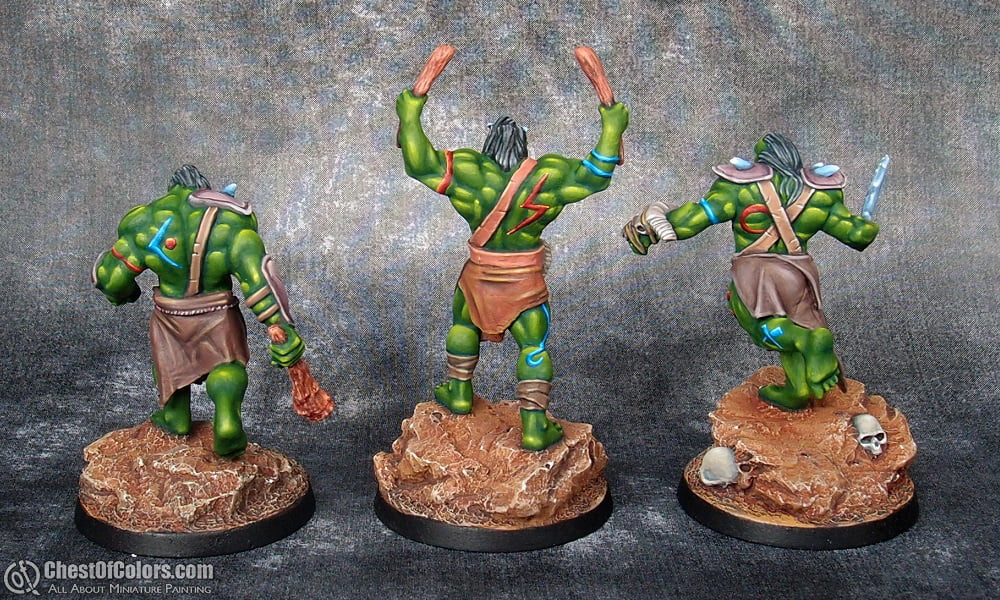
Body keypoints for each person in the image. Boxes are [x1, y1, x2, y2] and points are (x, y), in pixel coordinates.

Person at [397, 86, 629, 450]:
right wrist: (612, 125)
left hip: (477, 279)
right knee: (533, 347)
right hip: (525, 284)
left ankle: (459, 391)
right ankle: (534, 427)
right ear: (524, 143)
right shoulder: (548, 175)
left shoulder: (470, 172)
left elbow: (420, 163)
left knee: (463, 325)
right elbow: (595, 175)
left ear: (488, 140)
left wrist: (410, 112)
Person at [623, 134, 880, 409]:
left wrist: (650, 223)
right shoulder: (821, 193)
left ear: (763, 159)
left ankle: (809, 340)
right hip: (799, 273)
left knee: (762, 326)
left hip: (756, 272)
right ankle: (797, 391)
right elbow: (856, 236)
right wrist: (866, 225)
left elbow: (692, 221)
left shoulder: (738, 187)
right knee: (796, 323)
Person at [92, 165, 305, 457]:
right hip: (217, 313)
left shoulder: (146, 219)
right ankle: (227, 418)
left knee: (170, 365)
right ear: (204, 187)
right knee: (226, 365)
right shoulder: (230, 219)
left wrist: (127, 293)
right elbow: (258, 277)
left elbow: (111, 279)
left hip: (170, 315)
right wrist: (279, 326)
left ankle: (175, 416)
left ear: (173, 188)